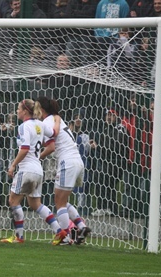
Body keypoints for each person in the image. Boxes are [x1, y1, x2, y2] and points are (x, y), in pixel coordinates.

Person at [0, 99, 62, 244]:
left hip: (26, 169)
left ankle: (19, 237)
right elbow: (54, 133)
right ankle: (59, 231)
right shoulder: (40, 124)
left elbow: (25, 148)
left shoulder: (23, 126)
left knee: (13, 200)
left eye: (18, 108)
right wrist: (57, 120)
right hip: (38, 170)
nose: (17, 111)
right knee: (35, 204)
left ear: (25, 111)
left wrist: (13, 165)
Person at [36, 96, 92, 245]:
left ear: (41, 109)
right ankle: (81, 227)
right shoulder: (56, 119)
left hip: (67, 162)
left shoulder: (47, 122)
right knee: (63, 200)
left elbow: (51, 147)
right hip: (78, 161)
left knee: (58, 202)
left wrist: (38, 157)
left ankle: (66, 237)